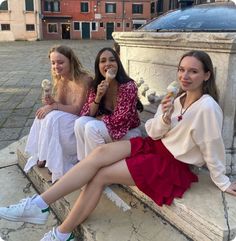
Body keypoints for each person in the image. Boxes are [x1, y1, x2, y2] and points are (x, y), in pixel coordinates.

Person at [0, 50, 236, 241]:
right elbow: (153, 132)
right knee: (100, 153)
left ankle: (61, 233)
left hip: (171, 163)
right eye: (182, 70)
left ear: (206, 76)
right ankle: (38, 205)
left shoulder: (207, 107)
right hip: (154, 146)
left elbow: (212, 146)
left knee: (100, 175)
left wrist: (222, 180)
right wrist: (164, 119)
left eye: (193, 71)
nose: (185, 76)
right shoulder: (178, 98)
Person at [24, 45, 93, 183]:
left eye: (60, 62)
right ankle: (43, 154)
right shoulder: (61, 79)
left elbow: (77, 109)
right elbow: (61, 104)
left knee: (52, 118)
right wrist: (51, 101)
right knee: (42, 116)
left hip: (80, 120)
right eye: (53, 63)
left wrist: (54, 106)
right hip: (68, 116)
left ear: (71, 62)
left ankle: (54, 161)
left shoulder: (84, 79)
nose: (56, 66)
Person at [74, 47, 143, 160]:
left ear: (118, 64)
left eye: (112, 60)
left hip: (128, 132)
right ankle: (84, 163)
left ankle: (99, 167)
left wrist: (100, 118)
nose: (108, 63)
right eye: (103, 61)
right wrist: (98, 96)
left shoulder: (128, 86)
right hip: (109, 128)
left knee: (92, 127)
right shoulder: (97, 86)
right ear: (98, 66)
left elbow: (121, 120)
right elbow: (86, 113)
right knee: (80, 123)